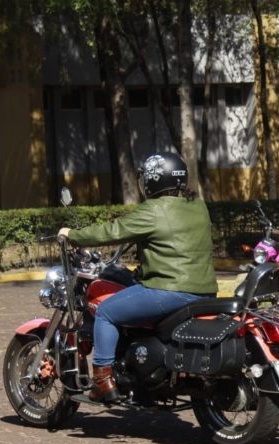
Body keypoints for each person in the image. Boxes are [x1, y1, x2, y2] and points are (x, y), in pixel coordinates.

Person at [57, 152, 218, 403]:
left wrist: (73, 234)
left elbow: (112, 231)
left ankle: (102, 381)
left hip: (168, 290)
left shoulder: (153, 210)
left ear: (153, 180)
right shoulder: (198, 206)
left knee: (106, 312)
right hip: (206, 291)